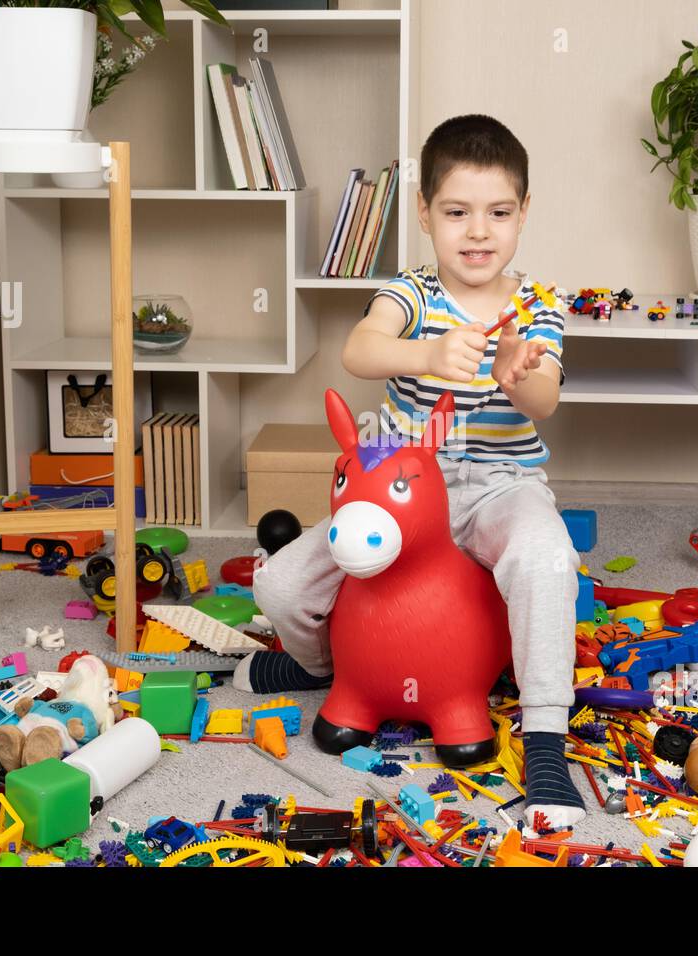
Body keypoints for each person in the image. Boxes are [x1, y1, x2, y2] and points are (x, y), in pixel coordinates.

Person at [236, 114, 586, 828]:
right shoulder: (413, 292)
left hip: (500, 484)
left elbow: (544, 401)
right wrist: (425, 355)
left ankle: (547, 733)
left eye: (498, 213)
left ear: (525, 213)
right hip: (398, 491)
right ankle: (320, 666)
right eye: (457, 212)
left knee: (547, 557)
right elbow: (361, 351)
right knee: (278, 582)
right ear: (425, 213)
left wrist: (515, 372)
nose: (478, 232)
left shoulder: (539, 304)